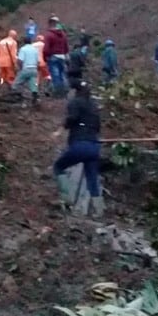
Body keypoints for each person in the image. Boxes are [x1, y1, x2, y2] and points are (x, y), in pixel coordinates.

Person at [52, 81, 103, 218]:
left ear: (76, 91)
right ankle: (99, 211)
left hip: (80, 144)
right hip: (94, 146)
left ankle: (67, 198)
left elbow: (72, 118)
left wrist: (60, 130)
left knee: (58, 166)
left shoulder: (75, 103)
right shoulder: (93, 106)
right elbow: (98, 126)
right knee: (92, 177)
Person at [43, 17, 69, 97]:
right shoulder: (63, 35)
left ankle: (58, 93)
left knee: (55, 75)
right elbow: (66, 47)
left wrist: (45, 57)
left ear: (50, 24)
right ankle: (65, 91)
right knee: (62, 74)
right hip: (62, 56)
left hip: (53, 57)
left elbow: (46, 49)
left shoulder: (49, 34)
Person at [13, 36, 40, 104]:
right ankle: (35, 97)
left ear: (24, 42)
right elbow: (38, 61)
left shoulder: (23, 49)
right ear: (31, 42)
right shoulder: (35, 49)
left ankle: (18, 97)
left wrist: (20, 68)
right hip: (34, 69)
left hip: (26, 69)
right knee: (33, 85)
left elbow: (20, 60)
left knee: (16, 84)